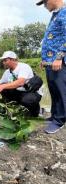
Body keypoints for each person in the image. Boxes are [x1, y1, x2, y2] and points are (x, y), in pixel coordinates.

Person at [0, 51, 42, 117]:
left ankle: (37, 111)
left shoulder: (24, 67)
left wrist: (3, 86)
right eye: (3, 61)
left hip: (31, 92)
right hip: (19, 92)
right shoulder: (7, 72)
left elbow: (20, 82)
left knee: (27, 101)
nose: (4, 63)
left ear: (13, 59)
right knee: (3, 90)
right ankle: (16, 106)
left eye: (5, 60)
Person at [36, 0, 66, 133]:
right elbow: (52, 38)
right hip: (50, 62)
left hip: (58, 62)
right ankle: (54, 115)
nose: (44, 6)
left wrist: (60, 56)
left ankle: (60, 120)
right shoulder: (56, 15)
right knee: (53, 90)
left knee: (61, 91)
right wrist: (45, 59)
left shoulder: (65, 12)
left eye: (45, 2)